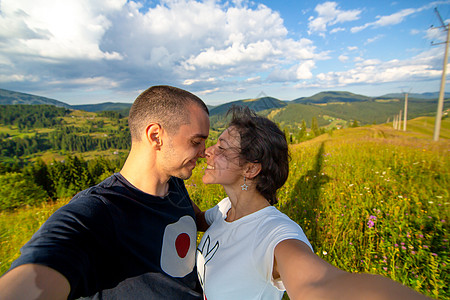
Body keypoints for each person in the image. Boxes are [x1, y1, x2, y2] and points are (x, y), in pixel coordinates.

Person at [196, 106, 430, 300]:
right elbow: (197, 219)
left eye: (222, 148)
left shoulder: (274, 235)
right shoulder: (225, 209)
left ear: (250, 168)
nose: (208, 152)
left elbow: (320, 283)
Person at [0, 85, 210, 299]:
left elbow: (197, 218)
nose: (204, 153)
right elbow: (42, 268)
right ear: (155, 136)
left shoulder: (174, 184)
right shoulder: (98, 212)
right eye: (196, 142)